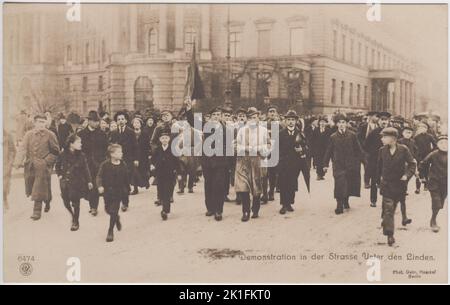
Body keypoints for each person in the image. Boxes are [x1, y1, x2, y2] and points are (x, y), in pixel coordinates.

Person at [186, 104, 230, 221]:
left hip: (220, 162)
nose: (216, 117)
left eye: (218, 115)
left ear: (221, 116)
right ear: (210, 117)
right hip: (207, 161)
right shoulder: (205, 126)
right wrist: (189, 109)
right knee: (209, 184)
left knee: (219, 185)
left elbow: (228, 145)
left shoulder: (225, 128)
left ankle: (218, 210)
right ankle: (210, 208)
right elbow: (192, 121)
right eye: (214, 115)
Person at [14, 114, 60, 220]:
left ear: (46, 123)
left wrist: (46, 161)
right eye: (39, 122)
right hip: (30, 165)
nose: (41, 124)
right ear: (34, 123)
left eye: (43, 122)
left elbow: (55, 152)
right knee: (32, 185)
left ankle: (37, 210)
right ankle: (48, 200)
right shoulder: (28, 134)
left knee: (38, 186)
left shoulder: (50, 134)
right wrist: (17, 162)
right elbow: (22, 149)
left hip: (43, 166)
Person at [376, 128, 416, 246]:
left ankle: (386, 222)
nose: (382, 139)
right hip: (387, 185)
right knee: (389, 209)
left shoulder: (404, 149)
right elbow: (379, 167)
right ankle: (390, 235)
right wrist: (379, 182)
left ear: (392, 139)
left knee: (391, 209)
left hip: (399, 185)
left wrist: (406, 175)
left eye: (384, 137)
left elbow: (412, 164)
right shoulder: (382, 150)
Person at [323, 113, 365, 215]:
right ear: (336, 124)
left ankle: (346, 200)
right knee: (339, 184)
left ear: (346, 124)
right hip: (338, 164)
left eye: (343, 122)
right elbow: (328, 151)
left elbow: (358, 149)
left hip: (350, 164)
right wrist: (325, 164)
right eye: (339, 123)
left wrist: (364, 161)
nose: (341, 125)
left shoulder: (352, 135)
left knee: (349, 183)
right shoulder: (333, 137)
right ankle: (339, 204)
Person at [235, 107, 270, 221]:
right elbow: (236, 146)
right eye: (250, 118)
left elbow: (269, 145)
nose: (252, 120)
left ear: (258, 118)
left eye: (254, 117)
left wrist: (260, 149)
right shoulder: (241, 130)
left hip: (258, 161)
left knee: (257, 186)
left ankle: (255, 208)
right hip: (244, 161)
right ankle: (245, 211)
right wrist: (247, 148)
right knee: (244, 187)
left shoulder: (263, 131)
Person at [55, 134, 93, 231]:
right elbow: (57, 166)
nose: (81, 144)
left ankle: (75, 221)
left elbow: (86, 169)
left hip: (76, 182)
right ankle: (72, 215)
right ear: (71, 144)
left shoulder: (81, 155)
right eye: (78, 142)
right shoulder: (62, 154)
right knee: (66, 201)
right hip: (65, 182)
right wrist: (59, 175)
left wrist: (89, 181)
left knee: (76, 202)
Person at [77, 110, 108, 216]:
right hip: (85, 165)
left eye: (98, 121)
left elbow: (106, 149)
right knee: (87, 186)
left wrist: (103, 161)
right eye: (95, 121)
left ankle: (93, 207)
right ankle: (91, 203)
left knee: (95, 185)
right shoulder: (80, 134)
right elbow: (78, 150)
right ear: (89, 121)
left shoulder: (102, 134)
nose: (97, 123)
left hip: (99, 164)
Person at [97, 144, 130, 242]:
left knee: (114, 210)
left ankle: (110, 231)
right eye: (119, 152)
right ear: (112, 154)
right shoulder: (105, 164)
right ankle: (116, 218)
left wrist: (127, 188)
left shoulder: (123, 164)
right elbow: (99, 176)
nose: (121, 153)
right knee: (108, 210)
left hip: (118, 191)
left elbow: (126, 177)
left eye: (121, 151)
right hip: (107, 191)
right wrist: (100, 186)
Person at [278, 110, 308, 215]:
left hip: (295, 163)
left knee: (292, 183)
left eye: (293, 120)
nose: (291, 122)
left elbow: (306, 146)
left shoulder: (300, 133)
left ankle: (290, 202)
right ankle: (283, 204)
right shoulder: (280, 134)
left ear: (296, 121)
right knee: (283, 183)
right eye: (289, 120)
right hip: (283, 163)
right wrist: (279, 161)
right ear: (285, 121)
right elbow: (276, 149)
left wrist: (302, 150)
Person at [109, 111, 138, 211]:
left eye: (122, 119)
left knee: (125, 182)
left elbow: (135, 147)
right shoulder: (113, 133)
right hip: (116, 159)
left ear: (126, 120)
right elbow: (111, 147)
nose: (120, 121)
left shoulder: (130, 132)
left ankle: (125, 203)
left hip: (128, 160)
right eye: (118, 119)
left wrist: (135, 159)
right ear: (116, 121)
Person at [151, 129, 181, 220]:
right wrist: (152, 165)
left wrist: (179, 173)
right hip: (159, 174)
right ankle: (162, 201)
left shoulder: (172, 149)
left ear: (169, 139)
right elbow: (152, 159)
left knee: (167, 192)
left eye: (166, 138)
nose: (164, 140)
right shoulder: (157, 149)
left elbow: (177, 162)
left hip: (169, 174)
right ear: (160, 140)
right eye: (162, 138)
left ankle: (165, 210)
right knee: (160, 190)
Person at [420, 135, 447, 233]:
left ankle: (434, 216)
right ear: (438, 144)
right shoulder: (434, 154)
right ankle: (433, 221)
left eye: (446, 143)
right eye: (441, 143)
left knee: (441, 203)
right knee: (436, 201)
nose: (444, 145)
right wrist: (423, 176)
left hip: (446, 183)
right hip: (434, 181)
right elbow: (423, 164)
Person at [364, 112, 390, 208]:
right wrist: (374, 154)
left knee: (388, 181)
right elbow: (366, 146)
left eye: (386, 120)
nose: (384, 122)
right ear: (379, 121)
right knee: (374, 181)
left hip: (389, 161)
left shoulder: (392, 133)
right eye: (382, 120)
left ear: (388, 121)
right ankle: (373, 200)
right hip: (375, 161)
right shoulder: (373, 133)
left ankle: (387, 200)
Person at [358, 111, 380, 188]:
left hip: (376, 150)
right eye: (375, 116)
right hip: (366, 150)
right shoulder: (363, 126)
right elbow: (359, 137)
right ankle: (366, 182)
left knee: (377, 165)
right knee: (367, 166)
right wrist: (362, 147)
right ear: (370, 117)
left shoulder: (378, 126)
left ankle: (377, 181)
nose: (377, 118)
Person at [414, 122, 436, 194]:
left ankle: (426, 186)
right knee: (419, 170)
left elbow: (435, 145)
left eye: (424, 128)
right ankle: (418, 188)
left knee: (426, 170)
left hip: (427, 156)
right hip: (419, 156)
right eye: (420, 128)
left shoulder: (430, 136)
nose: (422, 129)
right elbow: (414, 146)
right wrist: (416, 154)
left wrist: (431, 152)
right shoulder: (416, 137)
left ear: (426, 129)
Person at [130, 117, 151, 194]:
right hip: (134, 155)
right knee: (134, 171)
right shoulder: (130, 133)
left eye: (138, 123)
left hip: (143, 155)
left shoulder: (145, 133)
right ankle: (135, 188)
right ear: (132, 124)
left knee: (144, 171)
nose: (136, 124)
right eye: (135, 123)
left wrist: (149, 154)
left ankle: (146, 181)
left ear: (140, 124)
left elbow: (148, 145)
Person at [311, 116, 331, 181]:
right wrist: (313, 148)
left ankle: (322, 174)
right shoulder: (316, 130)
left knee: (324, 161)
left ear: (326, 123)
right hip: (317, 148)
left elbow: (329, 140)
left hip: (325, 149)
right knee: (318, 161)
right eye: (321, 122)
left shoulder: (328, 130)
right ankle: (318, 174)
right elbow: (313, 139)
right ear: (319, 123)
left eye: (324, 122)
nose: (322, 123)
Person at [3, 129, 16, 211]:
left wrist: (10, 163)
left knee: (4, 186)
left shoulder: (8, 136)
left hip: (5, 165)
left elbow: (12, 151)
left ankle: (4, 200)